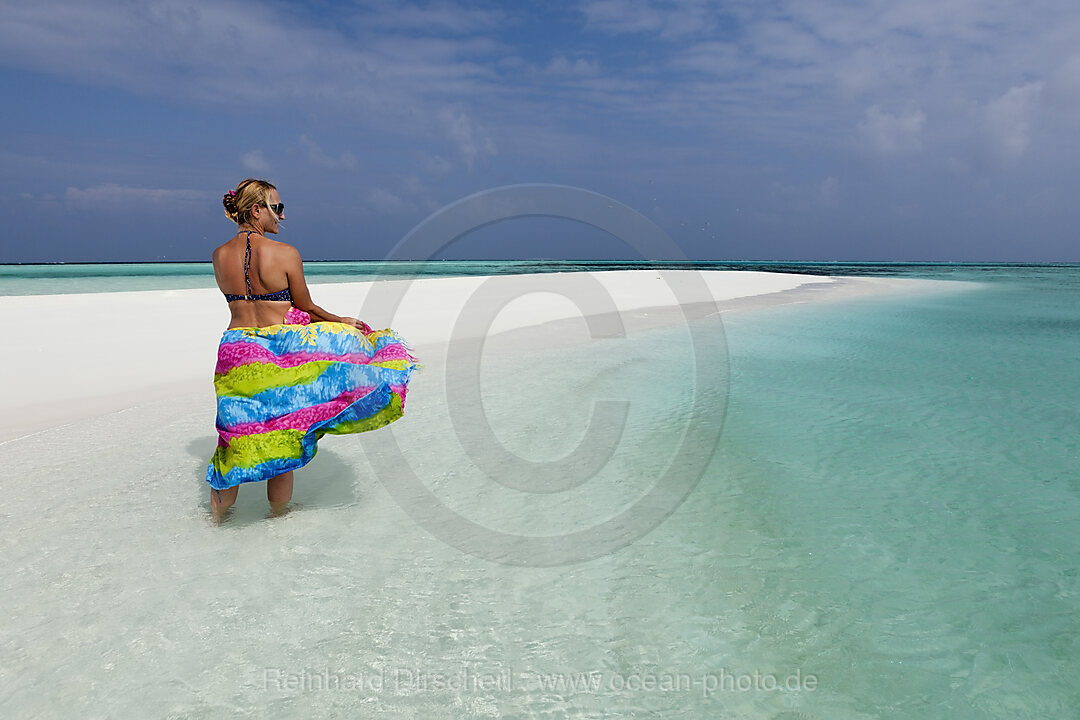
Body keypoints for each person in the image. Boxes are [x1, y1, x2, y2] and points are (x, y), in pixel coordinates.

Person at [207, 178, 417, 522]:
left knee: (232, 443)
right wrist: (344, 322)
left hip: (236, 354)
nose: (282, 217)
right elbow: (308, 307)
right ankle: (279, 518)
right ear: (256, 210)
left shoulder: (219, 255)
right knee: (286, 437)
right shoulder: (286, 253)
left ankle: (214, 522)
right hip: (280, 356)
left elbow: (245, 303)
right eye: (277, 208)